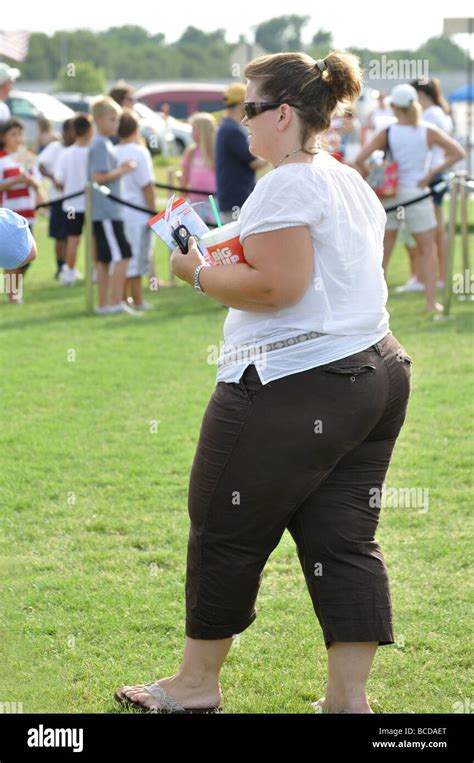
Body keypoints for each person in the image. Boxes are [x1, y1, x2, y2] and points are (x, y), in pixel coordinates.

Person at [115, 51, 413, 715]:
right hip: (375, 370)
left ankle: (196, 684)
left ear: (282, 113)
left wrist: (195, 272)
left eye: (249, 108)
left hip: (298, 376)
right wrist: (216, 246)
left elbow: (279, 286)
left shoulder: (288, 183)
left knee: (223, 521)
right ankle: (348, 698)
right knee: (344, 537)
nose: (239, 121)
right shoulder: (343, 178)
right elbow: (295, 262)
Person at [353, 83, 465, 313]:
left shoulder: (388, 132)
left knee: (383, 250)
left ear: (394, 106)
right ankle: (431, 302)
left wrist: (378, 175)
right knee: (427, 249)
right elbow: (458, 153)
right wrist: (431, 175)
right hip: (417, 193)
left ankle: (373, 304)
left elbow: (360, 159)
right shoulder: (427, 129)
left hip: (391, 195)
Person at [87, 96, 137, 315]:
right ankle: (113, 302)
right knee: (123, 254)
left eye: (116, 120)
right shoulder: (99, 144)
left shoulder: (105, 143)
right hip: (105, 210)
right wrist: (123, 170)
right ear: (97, 120)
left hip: (109, 210)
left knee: (107, 258)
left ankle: (105, 304)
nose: (115, 125)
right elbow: (97, 176)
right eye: (110, 120)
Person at [411, 78, 455, 290]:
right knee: (437, 229)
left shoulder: (431, 115)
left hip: (432, 174)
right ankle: (437, 276)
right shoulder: (440, 112)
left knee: (435, 231)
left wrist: (431, 172)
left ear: (419, 95)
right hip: (436, 173)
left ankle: (438, 277)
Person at [116, 108, 156, 310]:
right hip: (138, 212)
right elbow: (147, 185)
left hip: (119, 212)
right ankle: (137, 300)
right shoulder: (140, 151)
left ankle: (124, 298)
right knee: (138, 258)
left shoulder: (113, 150)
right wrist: (153, 211)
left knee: (123, 256)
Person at [0, 118, 42, 303]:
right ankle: (12, 295)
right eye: (13, 134)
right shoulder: (1, 158)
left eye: (20, 134)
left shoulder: (26, 156)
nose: (18, 139)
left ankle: (12, 290)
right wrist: (15, 181)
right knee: (13, 254)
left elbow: (38, 181)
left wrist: (32, 183)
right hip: (9, 212)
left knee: (26, 254)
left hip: (27, 211)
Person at [215, 83, 267, 223]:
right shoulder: (233, 131)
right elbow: (255, 163)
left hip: (232, 199)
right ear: (241, 103)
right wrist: (271, 149)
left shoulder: (226, 127)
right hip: (238, 200)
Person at [54, 113, 93, 286]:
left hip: (71, 205)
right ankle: (94, 272)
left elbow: (59, 180)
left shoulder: (66, 154)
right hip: (90, 204)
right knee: (92, 238)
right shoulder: (93, 153)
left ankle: (69, 273)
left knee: (72, 239)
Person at [38, 117, 75, 278]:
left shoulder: (76, 148)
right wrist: (54, 179)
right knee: (60, 235)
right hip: (58, 199)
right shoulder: (55, 147)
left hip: (73, 199)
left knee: (71, 233)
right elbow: (41, 165)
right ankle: (60, 266)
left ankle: (68, 265)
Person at [181, 112, 218, 224]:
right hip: (195, 201)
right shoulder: (191, 152)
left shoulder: (216, 151)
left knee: (216, 232)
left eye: (194, 129)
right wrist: (182, 200)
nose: (191, 133)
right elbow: (184, 178)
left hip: (214, 201)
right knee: (197, 234)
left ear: (203, 131)